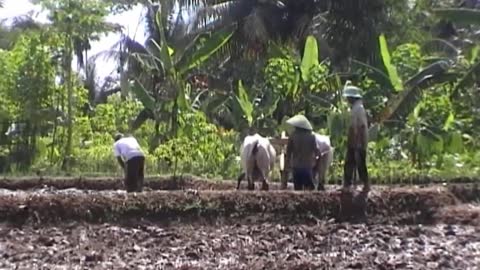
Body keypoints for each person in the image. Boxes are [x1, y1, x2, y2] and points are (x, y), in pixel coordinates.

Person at [342, 85, 370, 192]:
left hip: (358, 140)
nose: (347, 100)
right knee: (350, 162)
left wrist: (358, 141)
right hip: (355, 139)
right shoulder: (355, 108)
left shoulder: (359, 108)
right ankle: (347, 184)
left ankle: (365, 184)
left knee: (359, 163)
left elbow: (361, 126)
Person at [285, 115, 320, 191]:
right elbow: (317, 151)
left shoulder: (293, 136)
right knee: (310, 189)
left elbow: (288, 152)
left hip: (296, 166)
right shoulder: (311, 136)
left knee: (298, 189)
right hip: (307, 166)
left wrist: (287, 165)